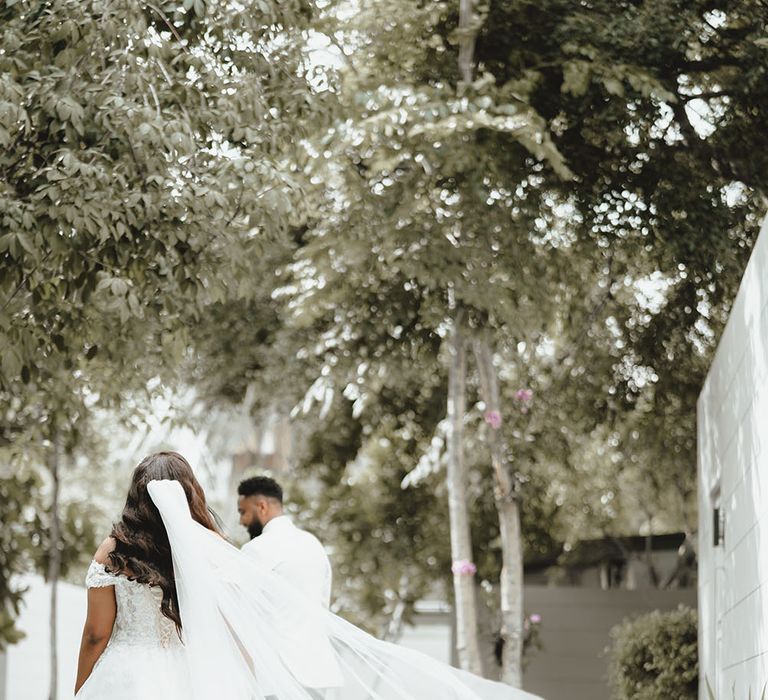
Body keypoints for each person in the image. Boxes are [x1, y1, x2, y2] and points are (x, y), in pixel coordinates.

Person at [75, 451, 545, 700]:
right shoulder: (214, 553)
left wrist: (80, 690)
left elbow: (97, 636)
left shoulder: (114, 551)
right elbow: (237, 626)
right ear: (189, 495)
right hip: (190, 680)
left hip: (124, 679)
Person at [238, 476, 332, 608]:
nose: (241, 521)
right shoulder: (314, 545)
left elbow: (236, 608)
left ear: (262, 507)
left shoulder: (257, 548)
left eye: (243, 512)